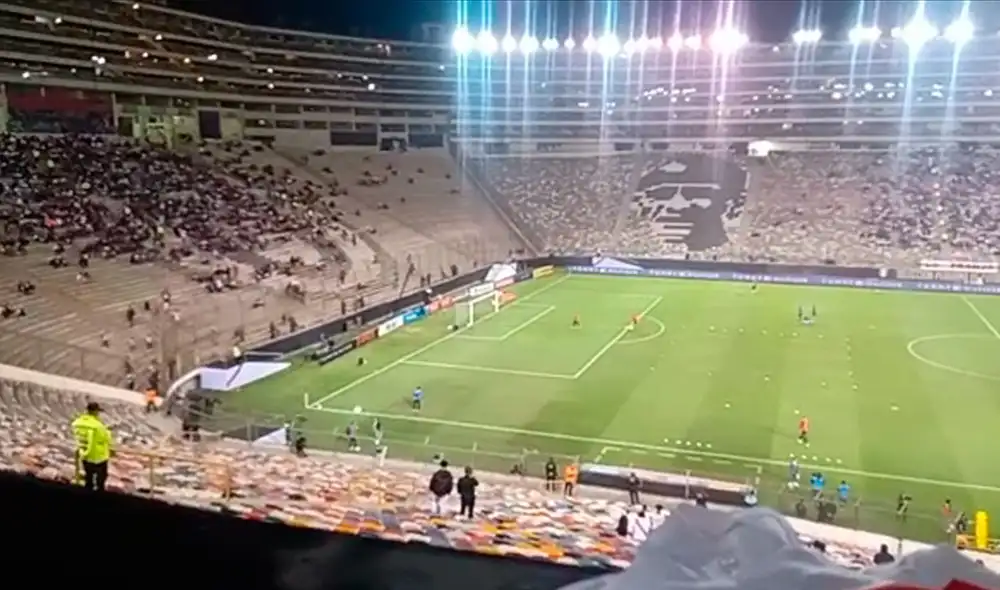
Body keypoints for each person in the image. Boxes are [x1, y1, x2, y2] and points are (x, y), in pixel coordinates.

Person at [72, 401, 113, 491]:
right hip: (98, 457)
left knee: (88, 478)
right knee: (100, 480)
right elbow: (106, 439)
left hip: (84, 455)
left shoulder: (77, 423)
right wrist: (108, 432)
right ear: (95, 412)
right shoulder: (98, 426)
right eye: (97, 411)